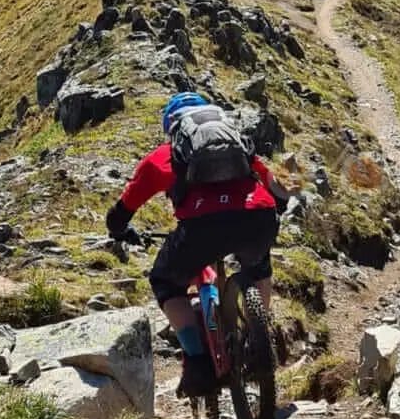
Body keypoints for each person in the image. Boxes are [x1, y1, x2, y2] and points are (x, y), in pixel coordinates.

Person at [106, 92, 285, 397]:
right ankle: (259, 338)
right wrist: (274, 208)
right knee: (258, 266)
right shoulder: (240, 144)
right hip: (256, 217)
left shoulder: (165, 155)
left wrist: (120, 230)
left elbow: (122, 211)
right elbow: (276, 186)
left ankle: (199, 363)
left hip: (203, 229)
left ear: (172, 127)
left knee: (165, 281)